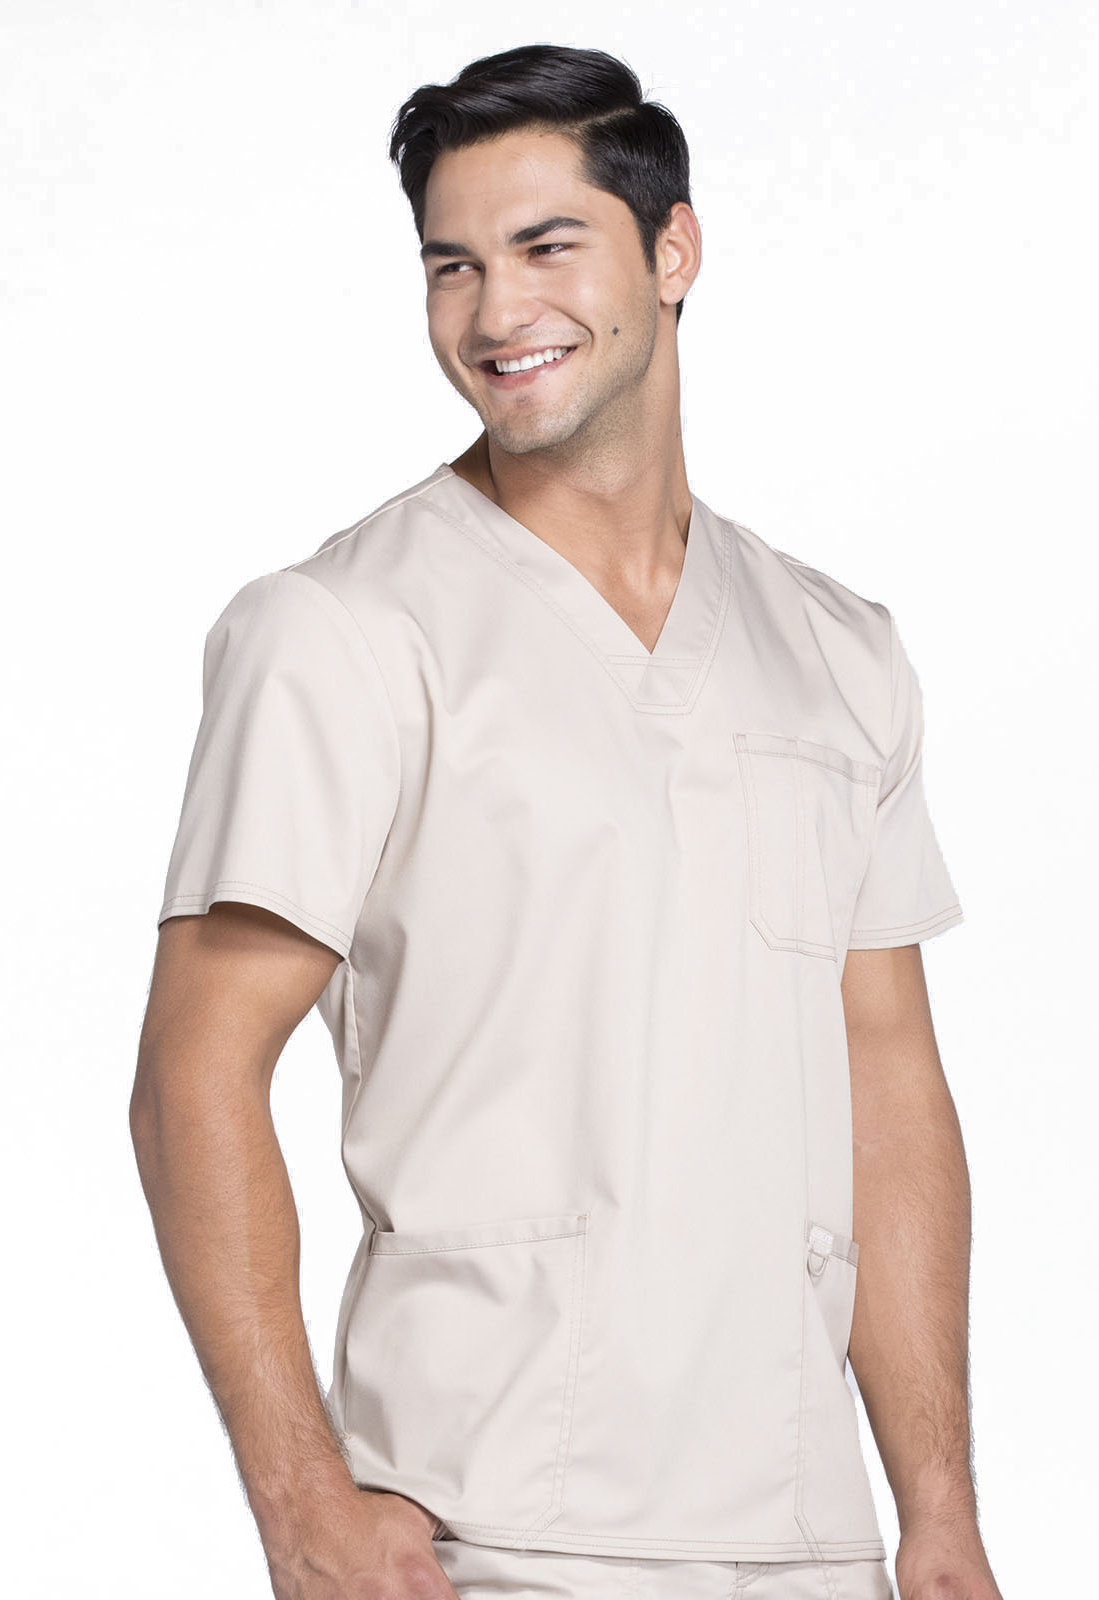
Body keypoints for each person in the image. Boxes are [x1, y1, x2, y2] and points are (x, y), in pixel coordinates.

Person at [130, 42, 1003, 1600]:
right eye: (451, 266)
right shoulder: (341, 633)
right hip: (491, 1526)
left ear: (673, 251)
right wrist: (299, 1499)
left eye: (546, 247)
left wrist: (938, 1513)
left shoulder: (837, 651)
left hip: (810, 1534)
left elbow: (888, 1086)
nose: (494, 313)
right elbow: (194, 1070)